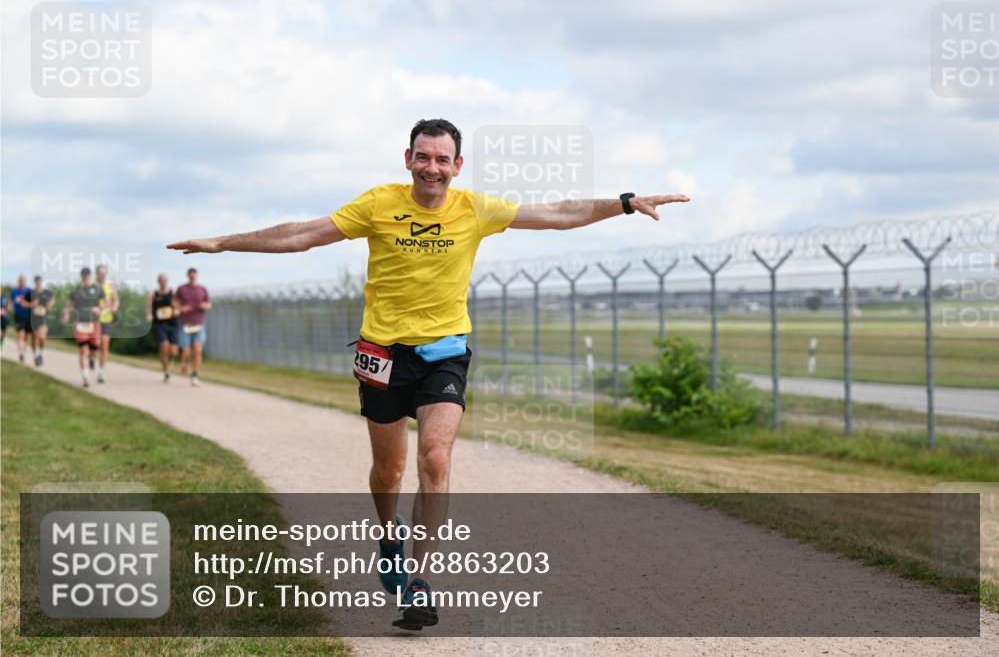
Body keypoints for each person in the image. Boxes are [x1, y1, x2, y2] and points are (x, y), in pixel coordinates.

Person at [168, 118, 690, 630]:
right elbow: (302, 235)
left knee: (435, 458)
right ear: (408, 159)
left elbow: (556, 212)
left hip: (445, 352)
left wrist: (621, 203)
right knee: (389, 473)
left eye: (442, 159)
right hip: (382, 354)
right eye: (423, 157)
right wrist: (221, 243)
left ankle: (419, 581)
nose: (432, 168)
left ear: (457, 165)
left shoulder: (475, 209)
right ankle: (389, 535)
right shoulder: (378, 204)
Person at [62, 267, 104, 388]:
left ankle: (92, 358)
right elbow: (68, 304)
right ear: (81, 275)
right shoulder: (76, 290)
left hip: (94, 323)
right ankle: (85, 377)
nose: (85, 276)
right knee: (83, 350)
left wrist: (100, 309)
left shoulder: (97, 288)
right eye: (83, 274)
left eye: (87, 274)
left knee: (95, 347)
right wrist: (66, 314)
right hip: (80, 323)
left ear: (90, 275)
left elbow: (106, 301)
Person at [174, 267, 211, 387]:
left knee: (198, 349)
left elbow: (209, 304)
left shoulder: (202, 289)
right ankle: (184, 362)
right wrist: (181, 308)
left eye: (194, 275)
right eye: (191, 275)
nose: (193, 277)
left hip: (199, 323)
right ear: (187, 276)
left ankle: (195, 376)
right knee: (186, 351)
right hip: (186, 323)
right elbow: (174, 303)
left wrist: (205, 305)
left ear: (197, 276)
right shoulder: (181, 289)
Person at [146, 273, 180, 382]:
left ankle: (169, 361)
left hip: (172, 324)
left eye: (165, 280)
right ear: (158, 281)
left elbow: (178, 307)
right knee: (164, 346)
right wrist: (149, 314)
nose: (163, 282)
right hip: (160, 324)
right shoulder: (153, 294)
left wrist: (176, 311)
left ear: (167, 281)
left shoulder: (173, 293)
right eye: (161, 280)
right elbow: (147, 307)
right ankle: (166, 371)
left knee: (174, 351)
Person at [95, 264, 119, 383]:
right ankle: (90, 359)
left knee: (104, 344)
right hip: (92, 320)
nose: (101, 275)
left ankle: (102, 372)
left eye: (103, 273)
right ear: (96, 273)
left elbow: (115, 300)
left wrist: (114, 307)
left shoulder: (110, 286)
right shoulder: (91, 285)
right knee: (94, 345)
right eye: (99, 273)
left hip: (106, 319)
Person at [24, 275, 54, 366]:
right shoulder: (31, 292)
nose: (38, 283)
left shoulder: (46, 292)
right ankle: (36, 356)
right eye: (36, 281)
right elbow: (23, 302)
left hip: (43, 318)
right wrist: (31, 304)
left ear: (41, 282)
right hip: (33, 319)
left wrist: (50, 304)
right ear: (35, 282)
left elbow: (52, 300)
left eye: (39, 281)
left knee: (42, 337)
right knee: (34, 339)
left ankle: (41, 354)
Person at [10, 274, 33, 363]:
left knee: (25, 337)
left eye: (23, 281)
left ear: (25, 281)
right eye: (20, 281)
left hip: (28, 317)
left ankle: (23, 351)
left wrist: (26, 304)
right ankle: (21, 354)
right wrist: (10, 306)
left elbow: (33, 303)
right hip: (18, 316)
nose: (22, 282)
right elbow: (10, 302)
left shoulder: (29, 291)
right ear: (18, 281)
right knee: (20, 334)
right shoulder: (14, 291)